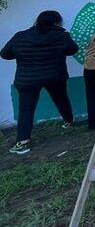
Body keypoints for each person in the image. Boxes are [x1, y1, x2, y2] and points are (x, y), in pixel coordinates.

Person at [1, 11, 77, 155]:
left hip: (28, 78)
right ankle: (69, 121)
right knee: (61, 99)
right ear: (57, 22)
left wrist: (22, 55)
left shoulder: (20, 36)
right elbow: (73, 50)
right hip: (55, 75)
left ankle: (22, 142)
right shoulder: (62, 36)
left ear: (37, 21)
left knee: (26, 110)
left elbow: (5, 54)